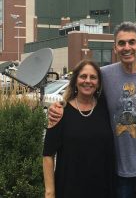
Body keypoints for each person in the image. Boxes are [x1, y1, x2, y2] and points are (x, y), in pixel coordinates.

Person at [48, 22, 136, 198]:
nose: (127, 47)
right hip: (118, 171)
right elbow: (81, 90)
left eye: (132, 42)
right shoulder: (104, 76)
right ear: (115, 48)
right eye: (121, 43)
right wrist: (59, 106)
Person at [43, 59, 115, 198]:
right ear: (75, 80)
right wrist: (50, 193)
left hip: (103, 189)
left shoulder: (106, 108)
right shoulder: (61, 112)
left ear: (99, 83)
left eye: (93, 77)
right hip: (69, 189)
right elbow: (48, 154)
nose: (88, 81)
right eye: (83, 76)